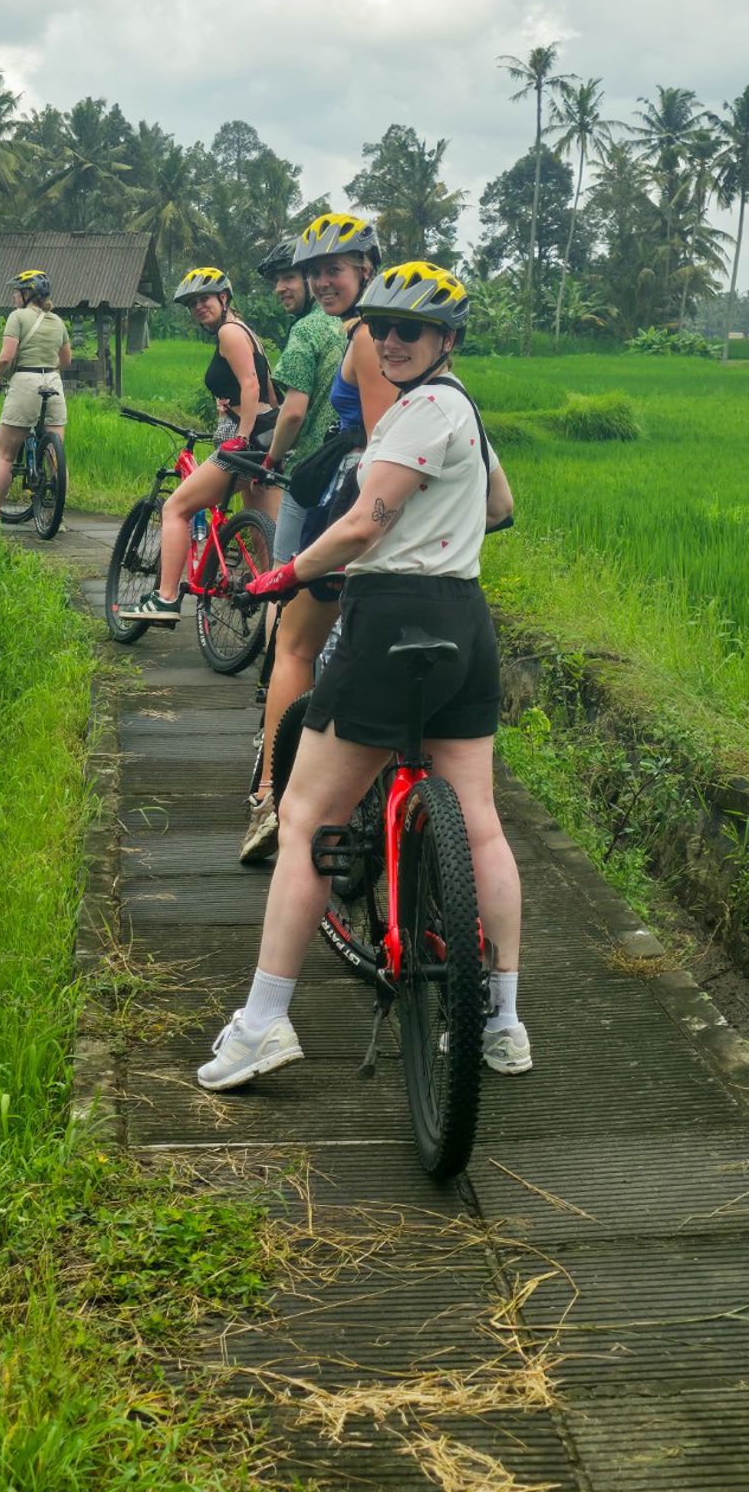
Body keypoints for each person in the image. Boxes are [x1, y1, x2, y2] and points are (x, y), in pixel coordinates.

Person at [196, 260, 530, 1088]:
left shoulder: (417, 413)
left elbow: (360, 525)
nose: (390, 342)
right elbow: (500, 507)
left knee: (307, 815)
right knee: (480, 822)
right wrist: (440, 524)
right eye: (381, 328)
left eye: (410, 329)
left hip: (389, 620)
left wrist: (286, 573)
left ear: (447, 339)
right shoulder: (464, 408)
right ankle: (502, 1020)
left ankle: (263, 1022)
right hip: (463, 619)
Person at [238, 212, 388, 862]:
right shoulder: (386, 331)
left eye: (336, 270)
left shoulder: (366, 336)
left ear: (367, 269)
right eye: (316, 271)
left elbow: (382, 444)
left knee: (294, 644)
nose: (323, 282)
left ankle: (269, 795)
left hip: (355, 502)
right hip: (381, 504)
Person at [135, 266, 276, 627]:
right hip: (267, 438)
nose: (198, 307)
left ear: (224, 298)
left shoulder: (229, 331)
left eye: (204, 299)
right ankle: (275, 619)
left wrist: (241, 436)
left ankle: (166, 597)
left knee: (175, 508)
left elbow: (251, 385)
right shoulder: (247, 332)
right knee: (265, 541)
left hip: (245, 441)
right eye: (192, 303)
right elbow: (268, 390)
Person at [0, 267, 73, 526]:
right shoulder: (57, 322)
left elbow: (6, 357)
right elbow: (66, 360)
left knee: (5, 456)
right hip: (53, 383)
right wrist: (46, 366)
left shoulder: (17, 317)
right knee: (55, 456)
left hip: (25, 383)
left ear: (27, 294)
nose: (14, 296)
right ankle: (56, 516)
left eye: (17, 292)